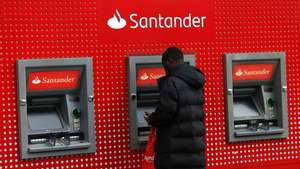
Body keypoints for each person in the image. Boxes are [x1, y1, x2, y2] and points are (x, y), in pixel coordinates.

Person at [144, 47, 206, 169]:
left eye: (164, 65)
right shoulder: (196, 81)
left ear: (170, 61)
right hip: (195, 152)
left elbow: (166, 114)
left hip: (174, 155)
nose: (164, 69)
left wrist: (152, 119)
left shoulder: (171, 82)